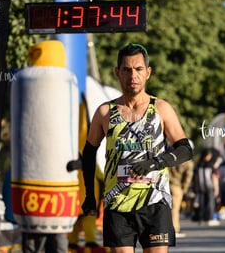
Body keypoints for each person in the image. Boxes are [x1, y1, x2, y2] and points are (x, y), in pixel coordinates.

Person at [80, 43, 193, 253]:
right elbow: (88, 153)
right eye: (127, 69)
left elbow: (185, 149)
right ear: (117, 72)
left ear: (148, 73)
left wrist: (156, 162)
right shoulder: (105, 112)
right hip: (117, 203)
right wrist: (89, 196)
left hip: (155, 202)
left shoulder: (161, 109)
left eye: (139, 69)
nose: (133, 75)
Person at [191, 147, 221, 226]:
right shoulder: (211, 165)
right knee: (210, 203)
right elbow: (214, 178)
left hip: (200, 186)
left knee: (201, 202)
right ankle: (210, 218)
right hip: (209, 186)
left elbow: (194, 177)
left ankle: (201, 218)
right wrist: (216, 188)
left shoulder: (198, 165)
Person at [169, 153, 194, 237]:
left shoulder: (170, 157)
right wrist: (184, 189)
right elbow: (188, 178)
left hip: (165, 185)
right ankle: (174, 229)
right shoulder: (188, 162)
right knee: (175, 209)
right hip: (177, 186)